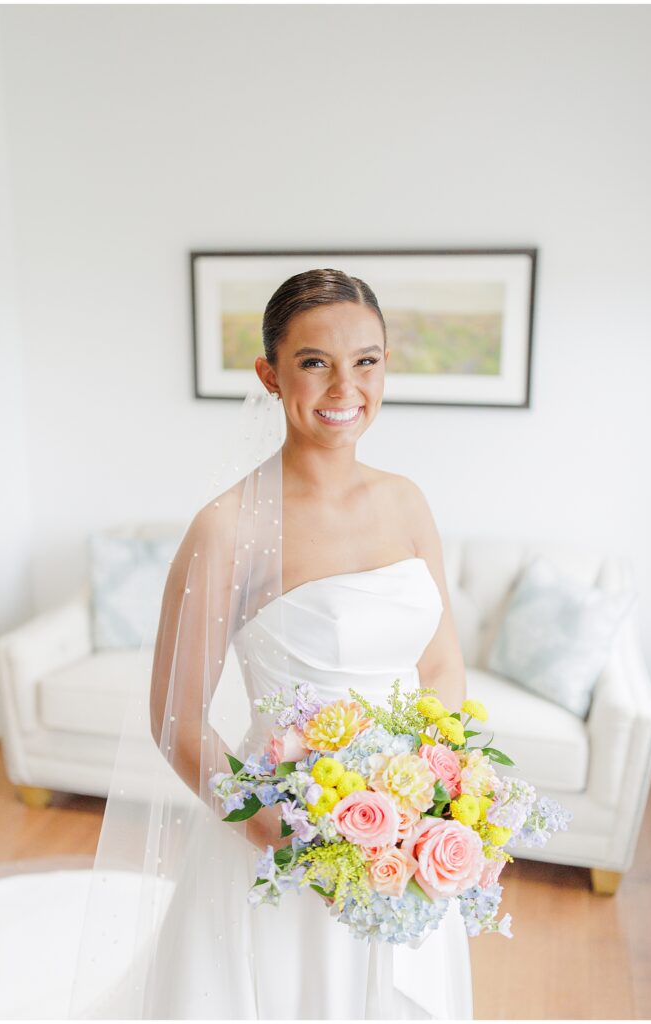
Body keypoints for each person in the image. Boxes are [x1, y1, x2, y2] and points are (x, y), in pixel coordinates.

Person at [68, 268, 473, 1019]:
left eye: (367, 361)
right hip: (284, 837)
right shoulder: (229, 528)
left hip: (407, 839)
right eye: (315, 361)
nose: (344, 387)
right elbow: (175, 719)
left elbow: (441, 662)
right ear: (269, 373)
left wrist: (429, 789)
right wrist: (289, 839)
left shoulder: (406, 501)